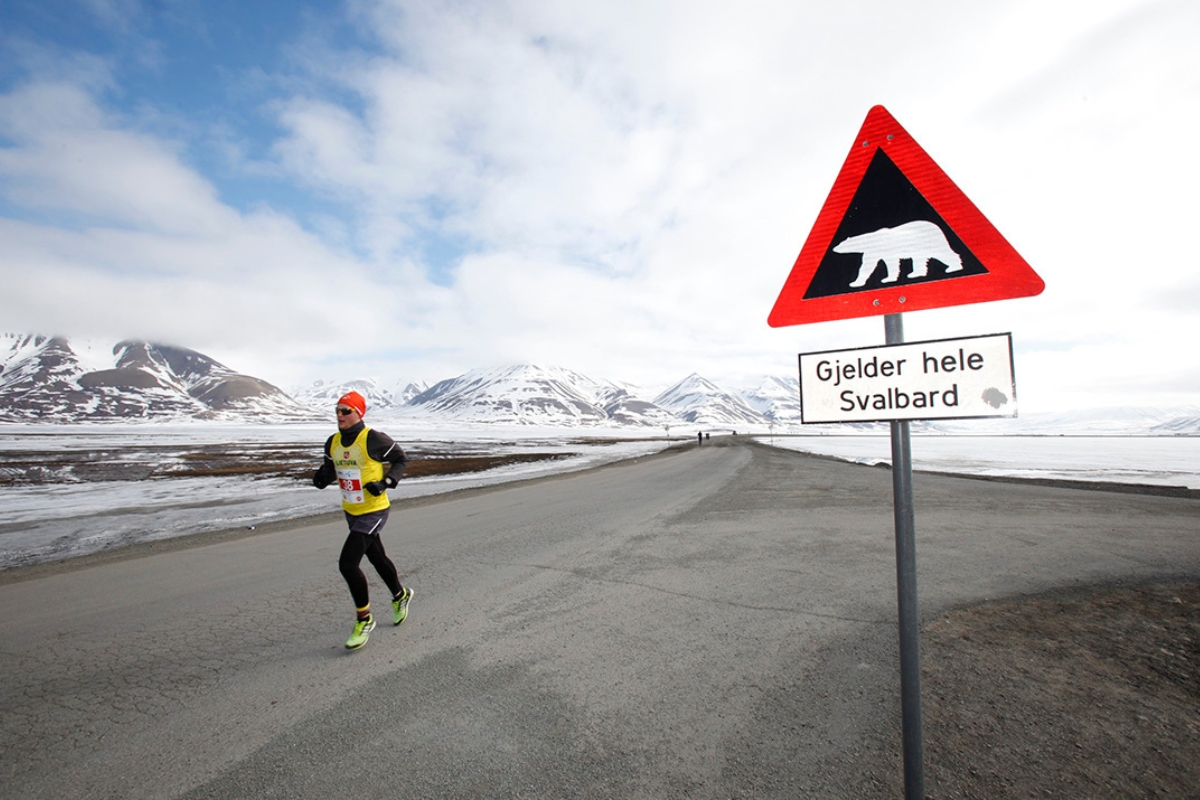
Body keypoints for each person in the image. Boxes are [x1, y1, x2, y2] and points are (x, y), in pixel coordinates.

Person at [312, 391, 414, 650]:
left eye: (346, 410)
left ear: (359, 412)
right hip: (352, 510)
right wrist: (322, 479)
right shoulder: (332, 442)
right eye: (337, 410)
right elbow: (329, 470)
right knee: (376, 557)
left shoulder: (374, 439)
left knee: (347, 564)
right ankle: (400, 595)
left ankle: (364, 619)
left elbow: (401, 459)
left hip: (374, 511)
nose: (340, 415)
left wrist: (387, 482)